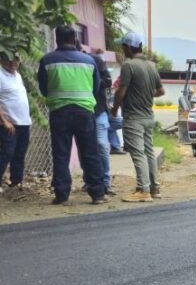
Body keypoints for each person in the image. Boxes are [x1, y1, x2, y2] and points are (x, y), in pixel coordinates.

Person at [37, 26, 107, 205]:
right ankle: (97, 193)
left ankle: (61, 194)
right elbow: (96, 87)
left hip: (59, 113)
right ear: (74, 39)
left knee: (61, 154)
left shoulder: (47, 60)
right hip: (84, 112)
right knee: (90, 152)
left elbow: (44, 89)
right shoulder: (88, 61)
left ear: (57, 39)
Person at [111, 32, 164, 202]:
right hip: (148, 116)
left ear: (128, 47)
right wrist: (145, 94)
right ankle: (155, 188)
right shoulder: (151, 65)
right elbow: (160, 91)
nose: (122, 49)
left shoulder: (129, 65)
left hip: (133, 117)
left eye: (123, 46)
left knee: (138, 153)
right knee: (148, 152)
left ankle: (143, 190)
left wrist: (114, 108)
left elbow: (121, 91)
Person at [0, 51, 32, 196]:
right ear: (2, 60)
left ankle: (16, 182)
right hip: (9, 123)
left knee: (20, 153)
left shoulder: (18, 76)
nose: (14, 64)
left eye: (16, 60)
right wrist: (4, 120)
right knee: (7, 152)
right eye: (10, 61)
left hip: (24, 121)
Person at [88, 48, 115, 195]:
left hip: (99, 111)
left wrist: (93, 81)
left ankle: (106, 181)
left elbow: (107, 81)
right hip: (84, 112)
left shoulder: (96, 61)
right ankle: (90, 181)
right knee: (86, 149)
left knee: (102, 145)